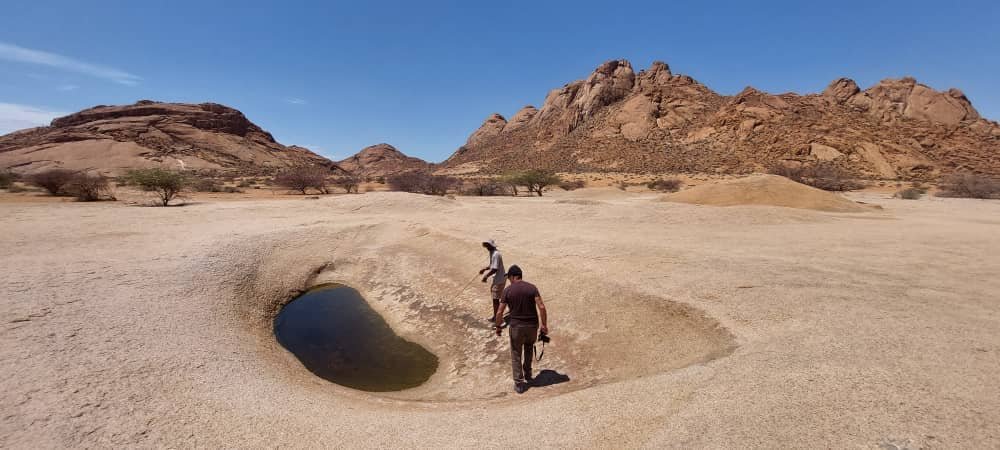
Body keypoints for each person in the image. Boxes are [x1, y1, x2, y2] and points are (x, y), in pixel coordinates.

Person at [494, 265, 548, 394]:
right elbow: (541, 307)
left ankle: (519, 383)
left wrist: (498, 327)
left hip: (516, 326)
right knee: (529, 347)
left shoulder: (507, 291)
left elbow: (499, 312)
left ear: (512, 276)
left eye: (509, 278)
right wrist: (544, 325)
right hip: (532, 326)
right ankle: (528, 374)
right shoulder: (532, 288)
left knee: (516, 353)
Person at [478, 239, 506, 322]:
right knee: (496, 298)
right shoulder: (492, 252)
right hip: (498, 278)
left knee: (495, 300)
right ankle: (496, 316)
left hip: (499, 279)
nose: (486, 247)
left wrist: (486, 276)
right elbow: (492, 265)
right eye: (486, 246)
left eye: (487, 245)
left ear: (491, 245)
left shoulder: (495, 254)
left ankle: (498, 318)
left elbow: (495, 269)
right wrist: (485, 269)